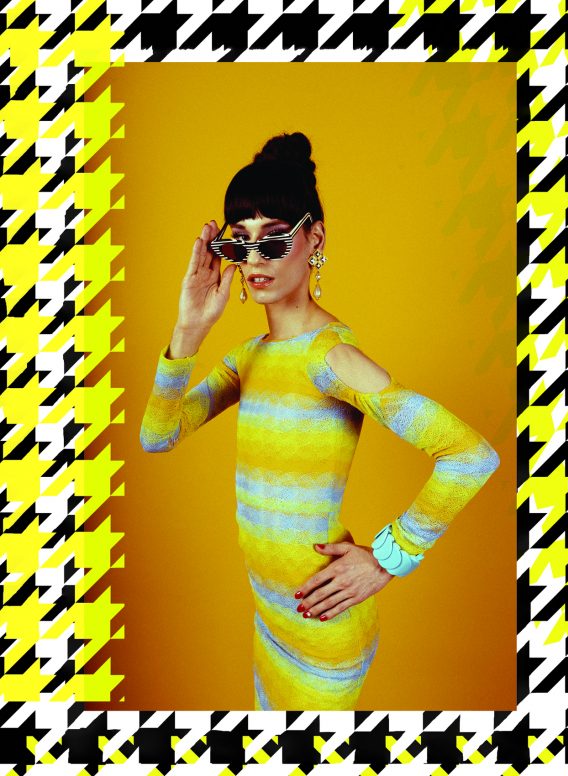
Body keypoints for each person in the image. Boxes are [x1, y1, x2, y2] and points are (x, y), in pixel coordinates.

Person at [140, 131, 501, 711]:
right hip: (270, 623)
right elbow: (158, 437)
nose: (255, 259)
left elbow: (470, 456)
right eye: (239, 243)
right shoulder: (247, 359)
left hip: (322, 634)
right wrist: (189, 329)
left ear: (315, 239)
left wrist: (390, 557)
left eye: (274, 238)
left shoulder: (330, 358)